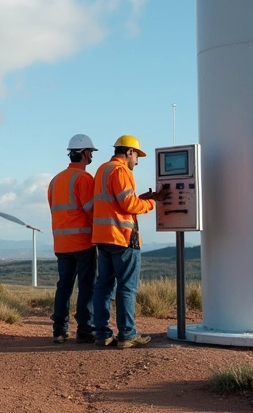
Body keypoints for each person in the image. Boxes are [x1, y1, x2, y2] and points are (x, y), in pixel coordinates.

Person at [91, 135, 169, 348]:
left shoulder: (102, 170)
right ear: (129, 152)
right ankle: (127, 334)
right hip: (123, 237)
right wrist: (152, 202)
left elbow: (115, 201)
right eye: (137, 156)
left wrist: (141, 197)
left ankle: (102, 333)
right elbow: (127, 204)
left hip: (103, 236)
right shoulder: (121, 170)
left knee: (103, 287)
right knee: (126, 288)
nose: (137, 161)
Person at [47, 134, 98, 344]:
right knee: (86, 287)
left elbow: (55, 209)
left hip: (61, 243)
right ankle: (85, 329)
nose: (92, 156)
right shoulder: (84, 179)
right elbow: (91, 210)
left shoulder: (55, 180)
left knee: (64, 287)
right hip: (82, 242)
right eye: (91, 153)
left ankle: (59, 330)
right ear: (85, 154)